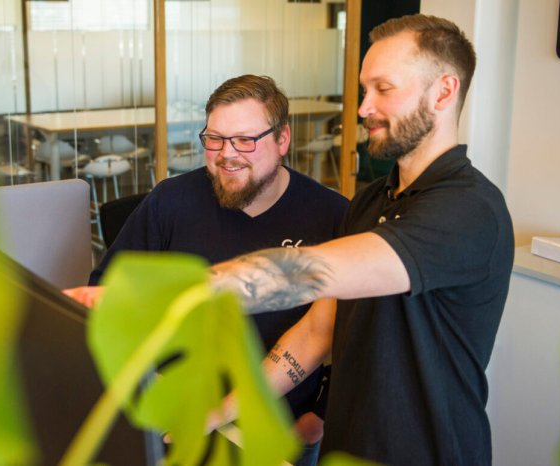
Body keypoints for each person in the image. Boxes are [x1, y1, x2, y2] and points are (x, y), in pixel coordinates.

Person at [209, 15, 515, 466]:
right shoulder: (370, 200)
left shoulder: (470, 210)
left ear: (444, 92)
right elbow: (318, 331)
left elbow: (313, 272)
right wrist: (217, 413)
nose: (363, 108)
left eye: (383, 89)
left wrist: (177, 292)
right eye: (363, 89)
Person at [76, 74, 350, 465]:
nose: (227, 154)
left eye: (245, 140)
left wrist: (315, 419)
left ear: (282, 140)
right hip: (176, 416)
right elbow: (106, 288)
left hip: (275, 427)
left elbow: (343, 334)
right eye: (215, 139)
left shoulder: (332, 215)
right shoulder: (170, 202)